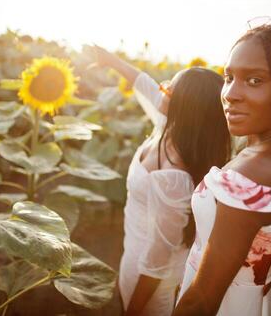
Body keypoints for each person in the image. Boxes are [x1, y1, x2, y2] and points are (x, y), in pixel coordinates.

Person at [173, 19, 271, 316]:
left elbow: (202, 301)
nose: (230, 93)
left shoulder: (253, 176)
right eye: (228, 76)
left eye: (254, 80)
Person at [92, 46, 230, 316]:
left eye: (170, 88)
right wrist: (110, 60)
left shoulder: (173, 177)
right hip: (132, 253)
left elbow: (158, 261)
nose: (162, 87)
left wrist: (132, 312)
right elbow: (144, 84)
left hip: (150, 280)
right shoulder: (168, 125)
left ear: (184, 107)